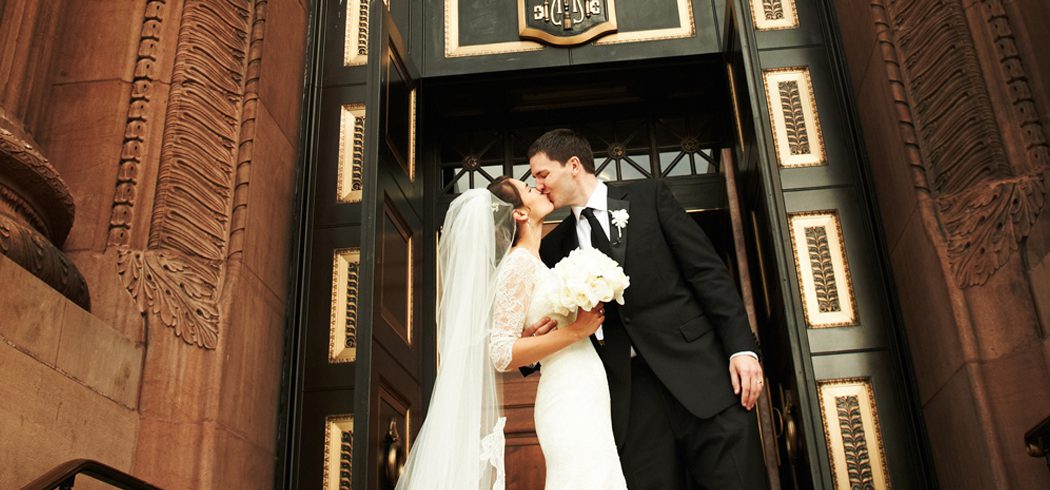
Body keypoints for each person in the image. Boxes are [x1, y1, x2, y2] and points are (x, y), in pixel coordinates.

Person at [528, 128, 768, 489]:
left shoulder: (648, 197)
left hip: (702, 377)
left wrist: (742, 348)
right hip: (630, 402)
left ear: (573, 165)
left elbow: (707, 274)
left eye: (543, 174)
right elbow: (546, 325)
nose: (540, 185)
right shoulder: (554, 247)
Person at [394, 178, 626, 490]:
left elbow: (524, 334)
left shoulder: (536, 261)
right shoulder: (518, 264)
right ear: (519, 214)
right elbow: (500, 352)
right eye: (530, 189)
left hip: (586, 385)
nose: (540, 188)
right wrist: (575, 332)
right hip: (566, 392)